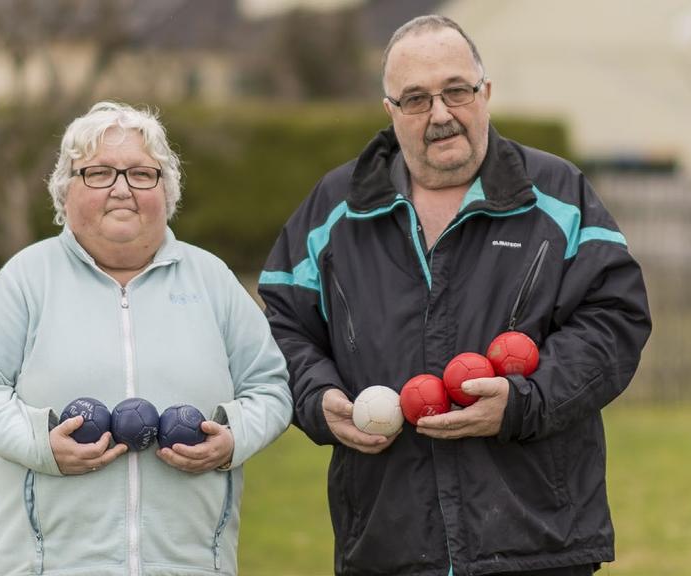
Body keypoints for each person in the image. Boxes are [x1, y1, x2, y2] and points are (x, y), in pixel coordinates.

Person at [259, 15, 652, 576]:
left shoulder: (558, 196)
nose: (440, 114)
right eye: (415, 99)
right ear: (389, 111)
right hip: (387, 542)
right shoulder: (335, 210)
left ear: (485, 93)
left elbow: (615, 321)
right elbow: (281, 328)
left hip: (537, 539)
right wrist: (318, 399)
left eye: (456, 91)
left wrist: (525, 401)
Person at [0, 101, 292, 576]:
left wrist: (231, 439)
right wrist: (42, 445)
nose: (122, 189)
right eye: (100, 173)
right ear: (66, 191)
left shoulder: (211, 280)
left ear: (166, 191)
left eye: (141, 174)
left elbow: (270, 387)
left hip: (189, 565)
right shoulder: (27, 278)